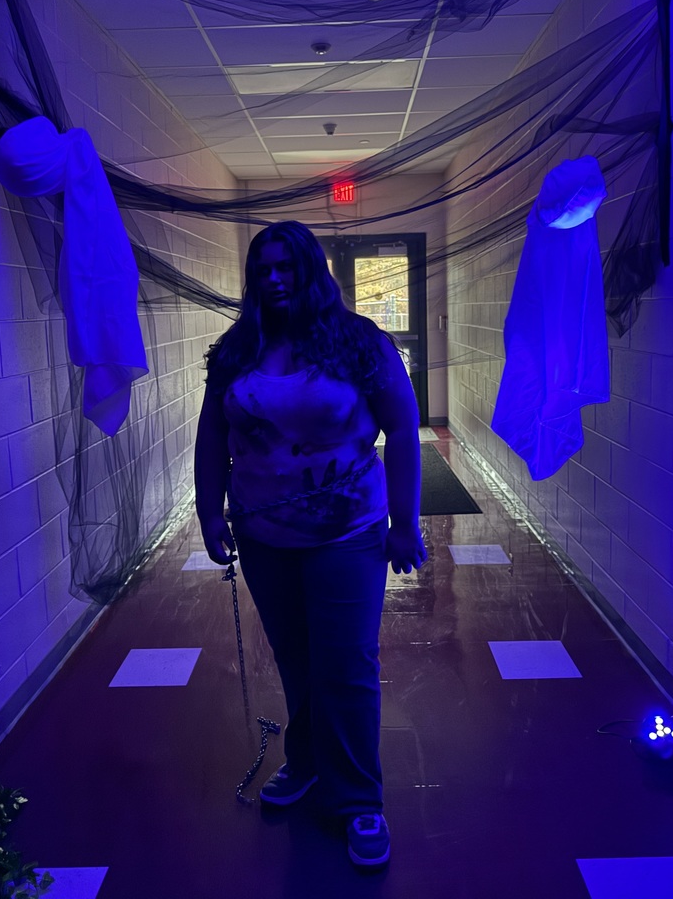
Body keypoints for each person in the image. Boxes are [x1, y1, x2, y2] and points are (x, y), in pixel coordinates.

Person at [194, 220, 427, 868]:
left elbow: (403, 430)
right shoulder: (238, 349)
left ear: (311, 271)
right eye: (262, 269)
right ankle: (307, 760)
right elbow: (212, 436)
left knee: (344, 665)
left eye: (286, 266)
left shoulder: (359, 342)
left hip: (347, 533)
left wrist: (405, 523)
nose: (274, 278)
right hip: (263, 535)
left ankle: (358, 799)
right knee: (296, 659)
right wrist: (209, 512)